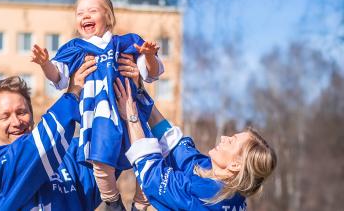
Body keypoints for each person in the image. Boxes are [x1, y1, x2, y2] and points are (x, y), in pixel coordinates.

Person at [30, 0, 163, 210]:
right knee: (100, 162)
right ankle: (112, 200)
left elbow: (151, 73)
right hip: (100, 117)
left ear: (109, 17)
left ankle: (141, 204)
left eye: (92, 11)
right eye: (80, 13)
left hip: (129, 114)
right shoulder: (75, 48)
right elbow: (59, 77)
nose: (85, 16)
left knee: (149, 154)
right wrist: (45, 64)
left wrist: (148, 57)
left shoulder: (126, 42)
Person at [114, 78, 278, 211]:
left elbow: (152, 175)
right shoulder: (221, 181)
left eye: (232, 141)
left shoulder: (209, 195)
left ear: (236, 164)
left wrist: (131, 117)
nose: (223, 138)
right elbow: (175, 146)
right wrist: (140, 92)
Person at [0, 59, 104, 210]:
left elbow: (110, 148)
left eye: (21, 112)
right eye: (5, 117)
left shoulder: (69, 154)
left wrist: (130, 89)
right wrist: (72, 93)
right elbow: (36, 151)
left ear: (31, 116)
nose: (16, 122)